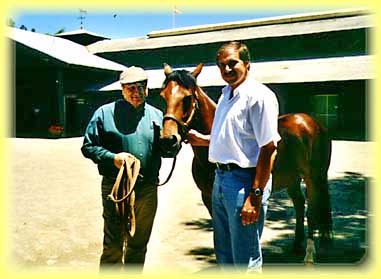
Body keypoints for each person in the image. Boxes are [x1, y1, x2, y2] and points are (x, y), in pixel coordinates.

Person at [187, 41, 281, 272]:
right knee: (224, 253)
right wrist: (202, 139)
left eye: (232, 63)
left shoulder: (259, 97)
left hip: (244, 183)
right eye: (221, 66)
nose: (226, 70)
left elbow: (268, 148)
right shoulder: (226, 94)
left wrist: (255, 197)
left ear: (247, 64)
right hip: (220, 179)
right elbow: (231, 137)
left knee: (245, 258)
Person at [81, 66, 163, 271]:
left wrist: (173, 143)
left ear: (148, 89)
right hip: (116, 188)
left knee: (139, 243)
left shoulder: (157, 115)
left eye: (141, 87)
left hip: (147, 188)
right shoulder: (104, 113)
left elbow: (166, 150)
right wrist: (112, 158)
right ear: (122, 89)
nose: (137, 93)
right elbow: (88, 146)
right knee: (113, 244)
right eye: (131, 88)